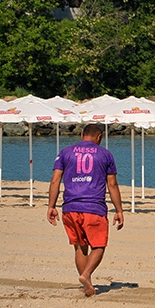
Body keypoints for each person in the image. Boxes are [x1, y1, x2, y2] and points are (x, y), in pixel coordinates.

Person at [47, 123, 125, 296]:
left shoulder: (65, 152)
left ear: (82, 135)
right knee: (99, 245)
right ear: (99, 137)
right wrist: (119, 210)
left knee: (80, 247)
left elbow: (55, 181)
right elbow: (112, 184)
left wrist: (51, 206)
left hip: (70, 207)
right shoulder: (105, 154)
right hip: (94, 207)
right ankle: (86, 274)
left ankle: (87, 285)